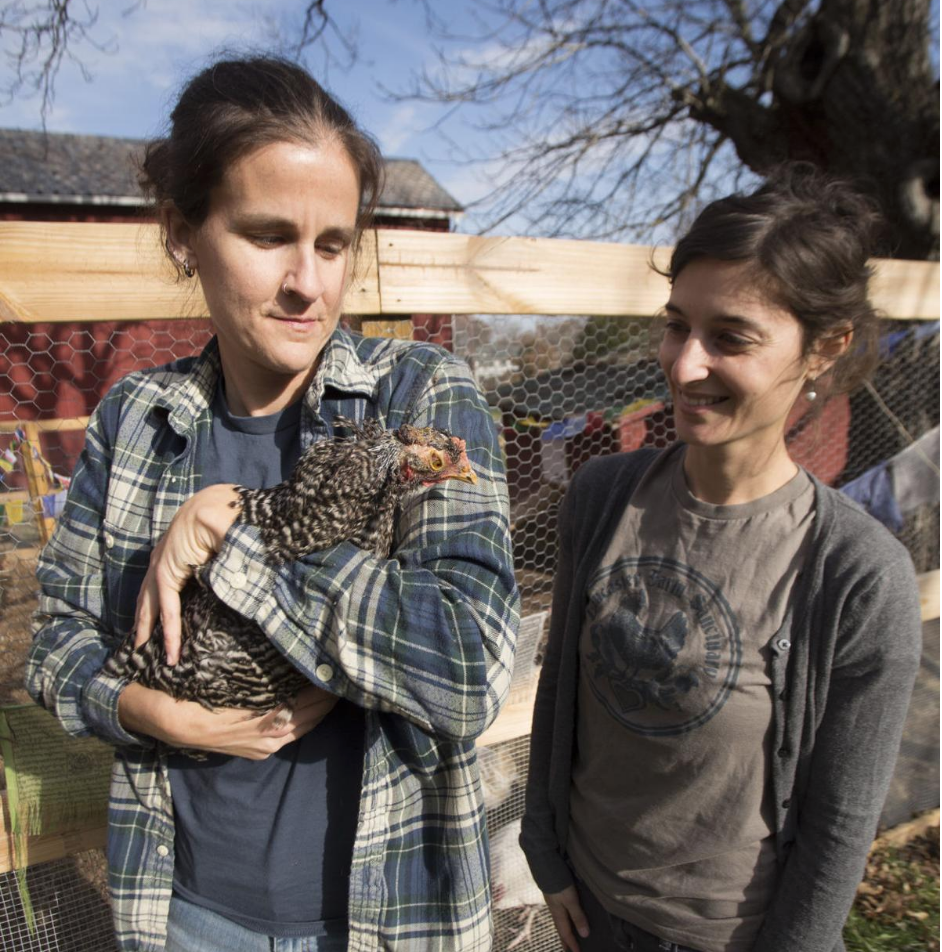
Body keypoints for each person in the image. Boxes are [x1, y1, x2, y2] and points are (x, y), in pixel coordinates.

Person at [26, 56, 519, 952]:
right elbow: (56, 641)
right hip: (187, 912)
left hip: (389, 919)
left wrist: (234, 533)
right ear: (184, 232)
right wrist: (148, 713)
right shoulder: (136, 420)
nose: (309, 283)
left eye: (333, 244)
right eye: (267, 236)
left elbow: (471, 671)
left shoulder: (422, 399)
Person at [519, 167, 922, 952]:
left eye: (731, 337)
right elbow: (560, 688)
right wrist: (547, 855)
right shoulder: (602, 498)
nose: (685, 364)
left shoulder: (857, 573)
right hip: (587, 912)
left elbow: (840, 825)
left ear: (823, 349)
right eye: (677, 325)